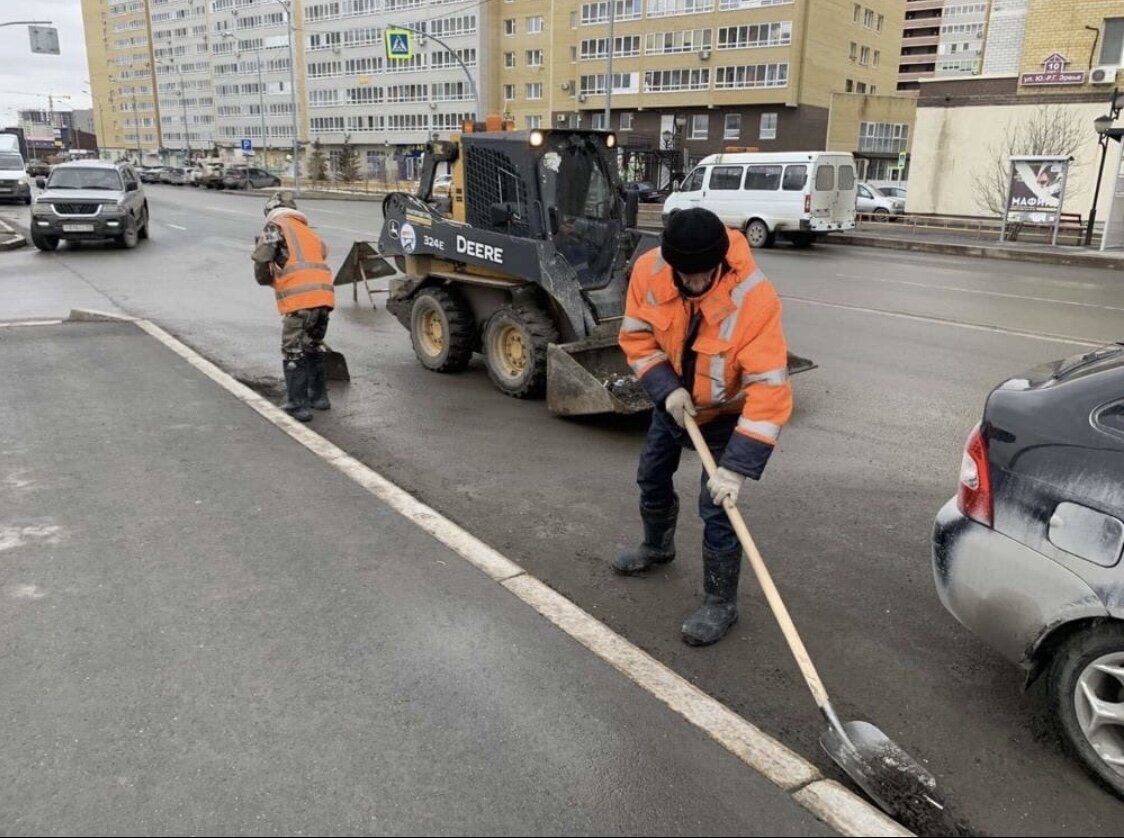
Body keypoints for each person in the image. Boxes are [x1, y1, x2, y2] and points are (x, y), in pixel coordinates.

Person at [616, 207, 793, 647]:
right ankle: (657, 546)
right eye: (686, 275)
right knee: (651, 476)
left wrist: (736, 468)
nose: (694, 284)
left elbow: (770, 390)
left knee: (717, 507)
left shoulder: (755, 298)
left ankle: (720, 602)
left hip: (726, 412)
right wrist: (665, 388)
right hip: (675, 401)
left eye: (703, 275)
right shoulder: (650, 271)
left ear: (718, 263)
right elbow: (637, 338)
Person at [252, 190, 335, 422]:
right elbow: (321, 253)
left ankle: (296, 405)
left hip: (300, 301)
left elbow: (262, 259)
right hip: (324, 298)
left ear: (270, 210)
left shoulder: (274, 227)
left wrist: (266, 279)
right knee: (313, 345)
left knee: (292, 350)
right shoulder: (307, 230)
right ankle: (319, 397)